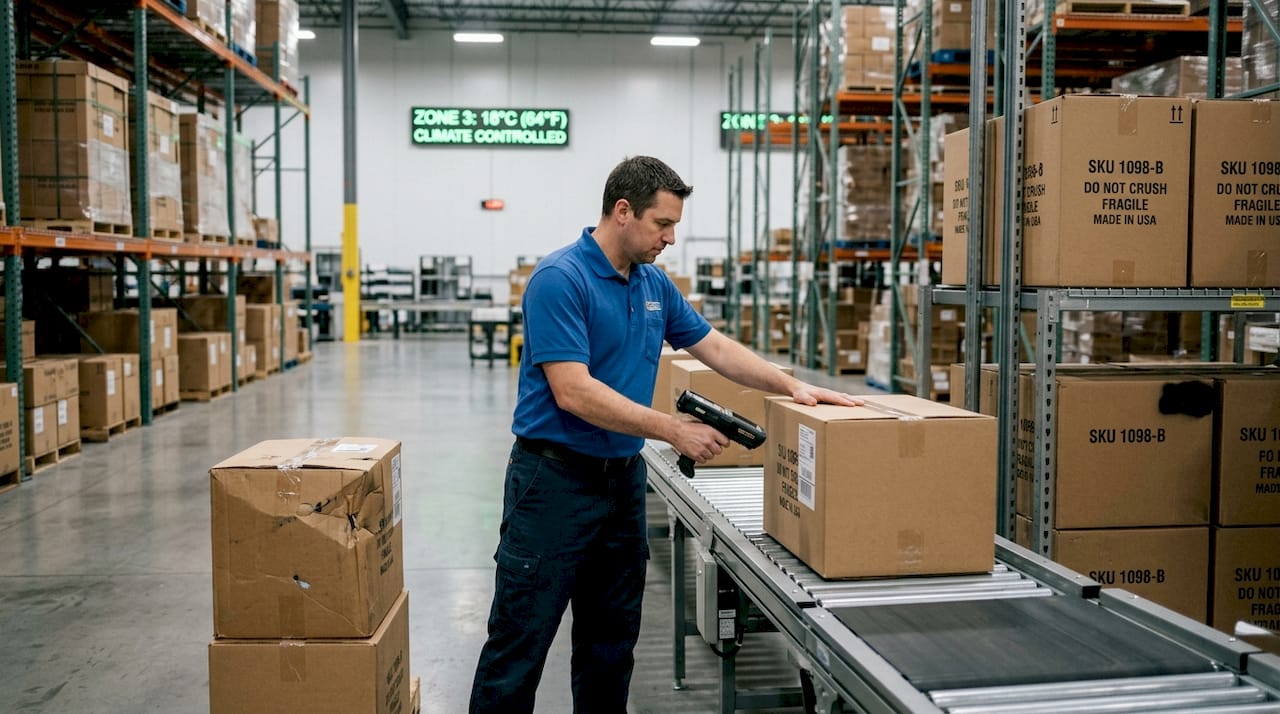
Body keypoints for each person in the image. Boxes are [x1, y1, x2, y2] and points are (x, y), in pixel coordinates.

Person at [469, 155, 861, 714]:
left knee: (610, 646)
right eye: (663, 224)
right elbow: (573, 391)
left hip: (620, 484)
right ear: (623, 212)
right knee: (519, 644)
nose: (671, 238)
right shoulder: (561, 280)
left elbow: (714, 347)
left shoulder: (653, 284)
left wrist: (790, 386)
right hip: (553, 483)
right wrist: (671, 429)